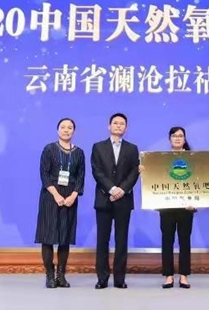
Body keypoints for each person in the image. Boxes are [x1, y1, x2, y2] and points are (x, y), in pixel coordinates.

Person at [139, 127, 196, 289]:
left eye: (180, 136)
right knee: (167, 240)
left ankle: (184, 276)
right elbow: (155, 178)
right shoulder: (161, 159)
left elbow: (199, 181)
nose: (177, 138)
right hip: (166, 207)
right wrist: (145, 171)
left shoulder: (193, 159)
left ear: (184, 139)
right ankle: (168, 275)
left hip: (186, 207)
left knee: (185, 241)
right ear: (169, 139)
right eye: (174, 136)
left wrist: (196, 201)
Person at [91, 113, 140, 289]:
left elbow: (134, 172)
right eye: (115, 123)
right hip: (104, 198)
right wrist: (111, 189)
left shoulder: (132, 149)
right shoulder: (98, 147)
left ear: (126, 128)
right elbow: (97, 172)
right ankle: (102, 278)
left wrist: (121, 190)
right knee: (102, 240)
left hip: (124, 200)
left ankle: (120, 279)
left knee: (121, 240)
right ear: (109, 126)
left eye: (122, 124)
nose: (118, 126)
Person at [34, 118, 85, 288]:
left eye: (70, 127)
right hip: (50, 196)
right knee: (47, 237)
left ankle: (61, 276)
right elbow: (44, 174)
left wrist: (73, 196)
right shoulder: (49, 149)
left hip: (70, 197)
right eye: (63, 127)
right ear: (58, 130)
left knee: (65, 238)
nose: (66, 130)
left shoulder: (79, 153)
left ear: (74, 131)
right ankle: (49, 275)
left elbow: (80, 177)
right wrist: (56, 195)